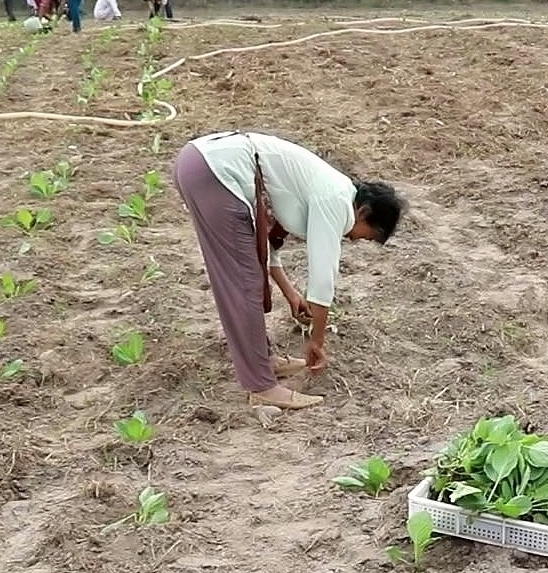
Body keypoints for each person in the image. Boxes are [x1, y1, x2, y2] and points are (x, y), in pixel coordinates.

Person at [171, 131, 405, 410]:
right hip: (215, 173)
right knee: (243, 284)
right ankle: (261, 387)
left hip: (203, 164)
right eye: (366, 235)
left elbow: (265, 238)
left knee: (248, 278)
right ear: (364, 212)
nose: (356, 239)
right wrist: (317, 342)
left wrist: (290, 292)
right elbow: (322, 278)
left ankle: (263, 362)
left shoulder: (327, 186)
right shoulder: (337, 201)